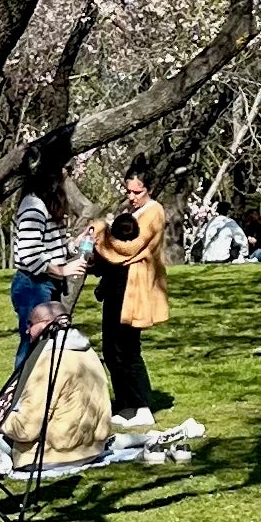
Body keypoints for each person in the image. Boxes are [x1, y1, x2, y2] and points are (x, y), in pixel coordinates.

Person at [3, 302, 113, 472]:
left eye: (31, 324)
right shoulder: (88, 352)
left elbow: (26, 429)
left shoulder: (48, 361)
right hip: (91, 449)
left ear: (46, 324)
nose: (27, 331)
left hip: (51, 455)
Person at [96, 176, 169, 429]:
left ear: (149, 189)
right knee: (112, 349)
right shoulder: (134, 213)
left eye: (137, 192)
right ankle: (126, 403)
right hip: (118, 287)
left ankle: (141, 405)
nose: (131, 197)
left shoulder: (154, 212)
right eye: (128, 191)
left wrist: (102, 234)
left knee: (127, 349)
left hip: (133, 288)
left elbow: (130, 248)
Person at [11, 153, 85, 368]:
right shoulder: (33, 205)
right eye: (66, 170)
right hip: (33, 285)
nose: (68, 175)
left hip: (47, 283)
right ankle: (21, 388)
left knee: (47, 346)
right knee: (33, 345)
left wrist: (74, 245)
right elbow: (29, 253)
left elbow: (51, 246)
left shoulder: (47, 204)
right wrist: (62, 270)